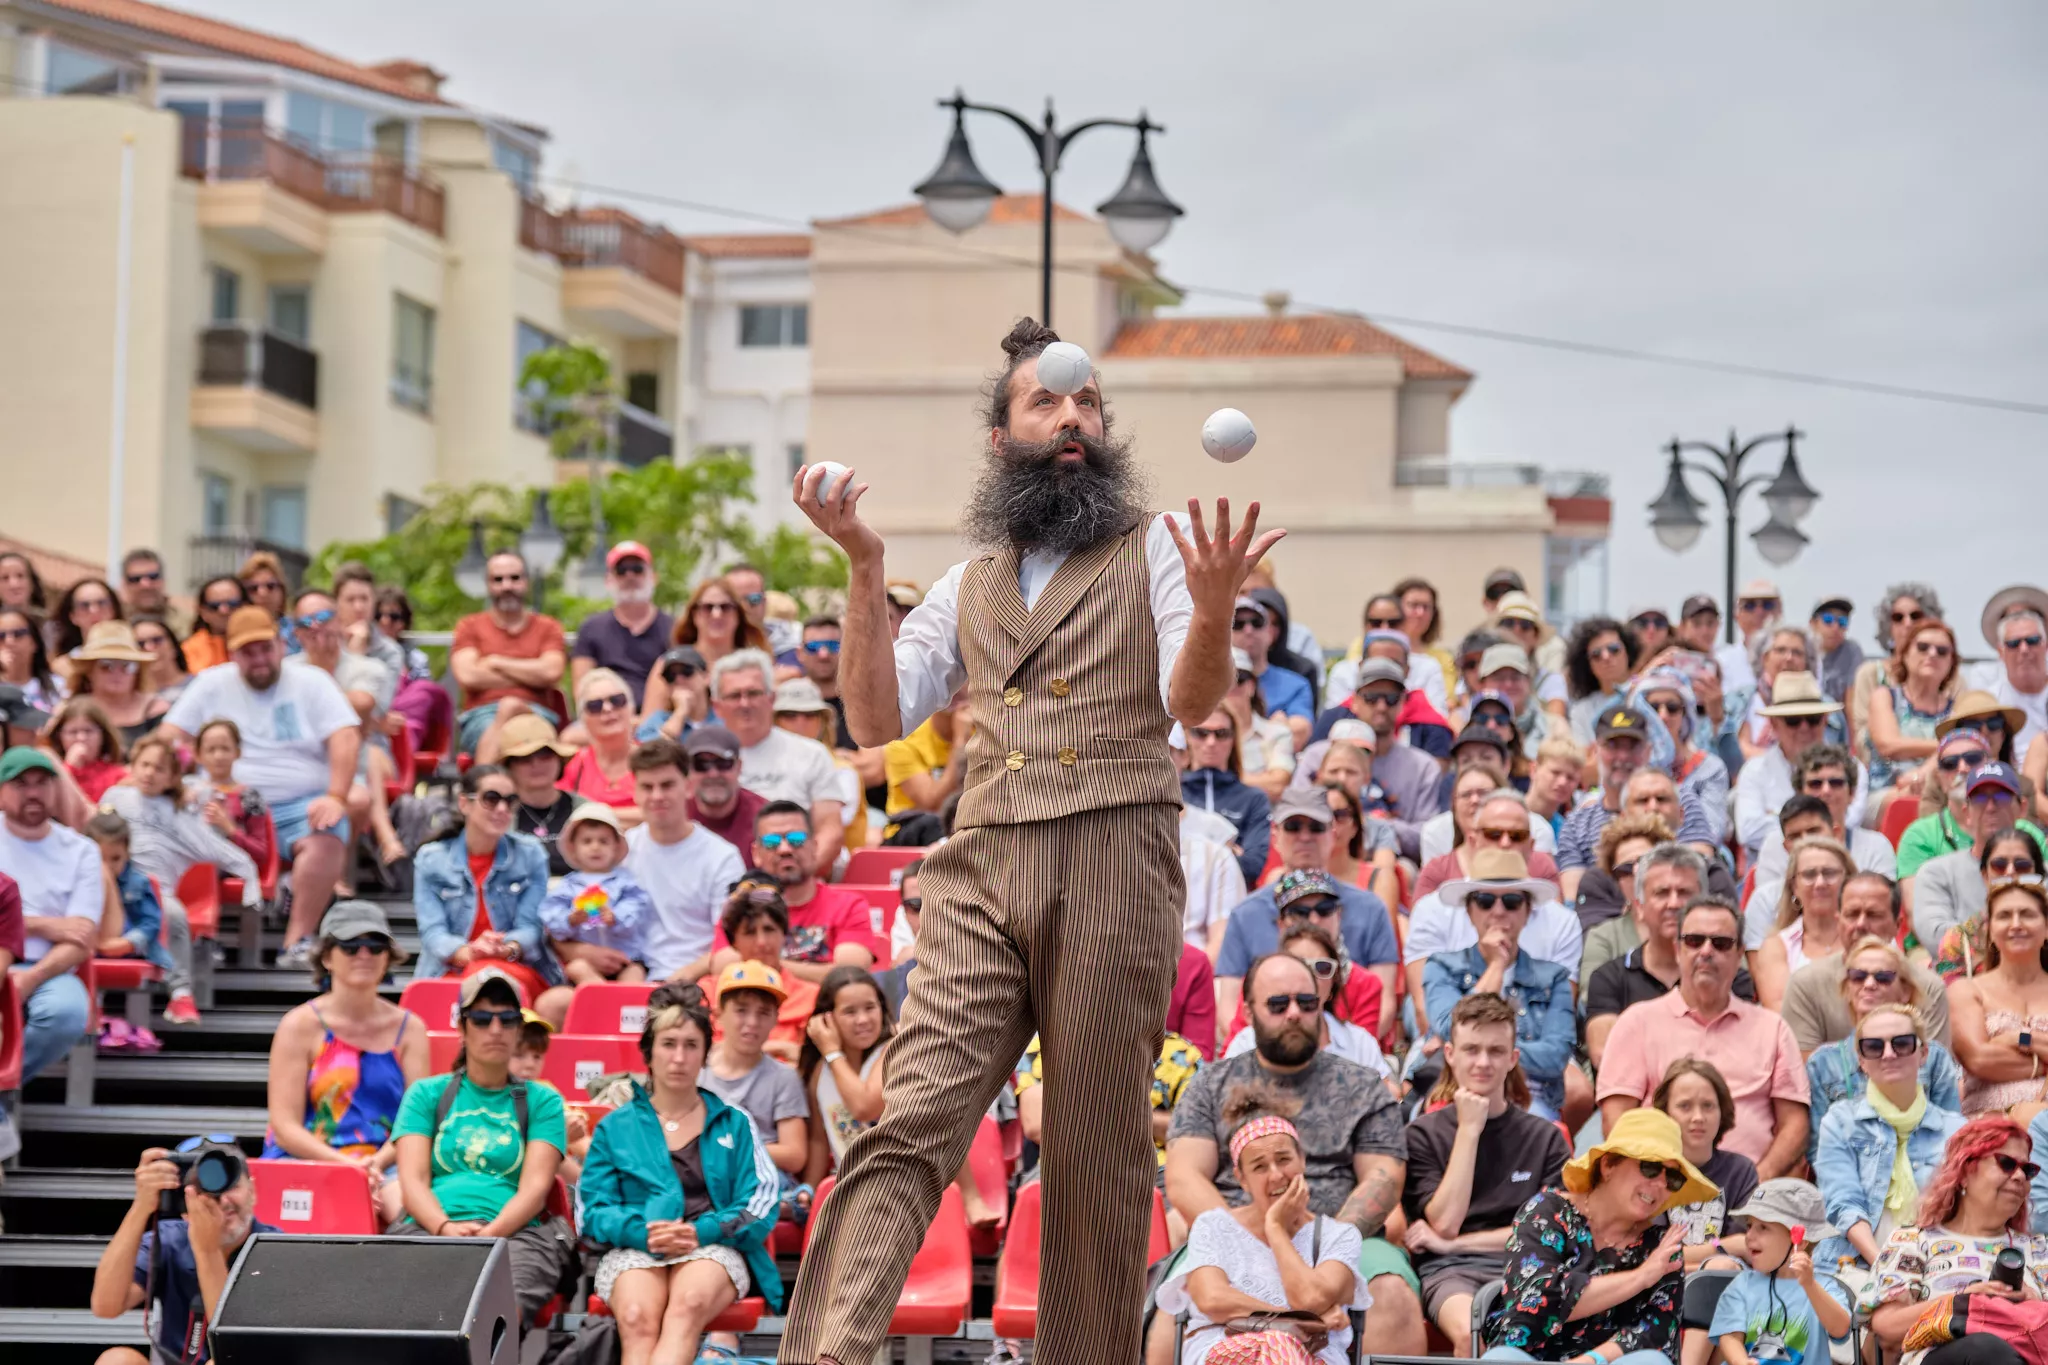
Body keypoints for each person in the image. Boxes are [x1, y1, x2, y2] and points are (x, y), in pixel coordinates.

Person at [782, 318, 1283, 1365]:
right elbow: (874, 724)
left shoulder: (1153, 546)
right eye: (1046, 403)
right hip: (981, 866)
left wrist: (1211, 610)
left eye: (1087, 403)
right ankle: (823, 1354)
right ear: (1000, 436)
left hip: (1111, 859)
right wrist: (863, 566)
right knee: (905, 1121)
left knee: (1095, 1162)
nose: (1071, 417)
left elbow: (1185, 704)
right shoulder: (970, 583)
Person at [1166, 953, 1426, 1357]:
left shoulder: (1363, 1086)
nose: (1293, 1013)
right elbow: (1184, 1177)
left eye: (1306, 1003)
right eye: (1277, 1003)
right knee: (1170, 1314)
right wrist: (1243, 1234)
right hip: (1234, 1227)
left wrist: (1326, 1252)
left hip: (1341, 1237)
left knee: (1391, 1293)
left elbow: (1384, 1177)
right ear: (1249, 1009)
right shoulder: (1211, 1084)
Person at [578, 987, 783, 1365]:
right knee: (638, 1319)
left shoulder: (734, 1122)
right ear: (649, 1052)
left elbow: (760, 1203)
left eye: (691, 1045)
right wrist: (644, 1232)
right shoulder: (615, 1127)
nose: (679, 1057)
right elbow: (592, 1211)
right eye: (668, 1043)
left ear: (705, 1053)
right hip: (635, 1247)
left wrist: (700, 1232)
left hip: (714, 1246)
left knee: (685, 1309)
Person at [158, 605, 358, 966]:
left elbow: (345, 735)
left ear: (281, 645)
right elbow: (170, 737)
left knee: (329, 829)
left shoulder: (312, 681)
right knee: (183, 827)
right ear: (233, 653)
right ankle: (202, 936)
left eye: (266, 648)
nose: (260, 659)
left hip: (298, 803)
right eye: (249, 652)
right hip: (227, 800)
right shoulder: (211, 683)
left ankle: (298, 941)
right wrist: (183, 780)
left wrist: (336, 795)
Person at [391, 969, 575, 1333]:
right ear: (462, 1028)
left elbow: (534, 1191)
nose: (495, 1029)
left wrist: (490, 1235)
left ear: (519, 1029)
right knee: (412, 1315)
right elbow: (412, 1183)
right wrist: (445, 1228)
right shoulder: (426, 1094)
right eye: (481, 1018)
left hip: (517, 1233)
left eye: (507, 1019)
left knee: (499, 1316)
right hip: (428, 1226)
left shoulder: (543, 1101)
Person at [1598, 894, 1811, 1178]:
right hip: (1661, 1190)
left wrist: (1754, 1183)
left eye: (1721, 943)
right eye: (1694, 941)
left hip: (1752, 1196)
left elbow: (1795, 1123)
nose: (1706, 951)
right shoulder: (1636, 1022)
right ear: (1677, 950)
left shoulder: (1773, 1028)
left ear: (1739, 955)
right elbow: (1617, 1121)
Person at [1402, 992, 1570, 1349]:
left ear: (1513, 1059)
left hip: (1528, 1266)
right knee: (1472, 1332)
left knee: (1523, 1333)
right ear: (1450, 1054)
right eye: (1471, 1049)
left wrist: (1452, 1243)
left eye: (1495, 1051)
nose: (1483, 1062)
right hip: (1451, 1271)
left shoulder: (1545, 1139)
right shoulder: (1422, 1134)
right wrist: (1468, 1130)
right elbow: (1444, 1222)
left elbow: (1545, 1235)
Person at [1157, 1083, 1370, 1365]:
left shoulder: (1338, 1235)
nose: (1276, 1175)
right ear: (1242, 1178)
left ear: (1302, 1160)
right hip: (1227, 1348)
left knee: (1282, 1347)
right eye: (1259, 1167)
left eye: (1284, 1160)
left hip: (1313, 1356)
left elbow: (1311, 1297)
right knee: (1277, 1342)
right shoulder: (1214, 1226)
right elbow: (1212, 1299)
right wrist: (1296, 1320)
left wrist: (1275, 1229)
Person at [1478, 1107, 1699, 1365]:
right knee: (1502, 1360)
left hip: (1609, 1362)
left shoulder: (1662, 1245)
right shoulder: (1547, 1212)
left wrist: (1592, 1360)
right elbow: (1535, 1303)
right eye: (1650, 1167)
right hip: (1531, 1357)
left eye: (1672, 1177)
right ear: (1608, 1165)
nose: (1661, 1184)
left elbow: (1656, 1331)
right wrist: (1641, 1277)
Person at [263, 901, 427, 1226]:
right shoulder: (298, 1025)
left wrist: (374, 1166)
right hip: (310, 1157)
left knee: (412, 1216)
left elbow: (416, 1122)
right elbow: (285, 1127)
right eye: (350, 946)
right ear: (326, 957)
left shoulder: (411, 1029)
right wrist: (348, 1168)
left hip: (387, 1161)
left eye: (375, 946)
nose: (364, 954)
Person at [1215, 789, 1401, 1042]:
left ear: (1333, 833)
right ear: (1275, 835)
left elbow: (1385, 1005)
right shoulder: (1245, 914)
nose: (1304, 836)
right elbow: (1229, 1011)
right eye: (1293, 826)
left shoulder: (1371, 908)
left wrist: (1338, 1051)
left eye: (1315, 827)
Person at [1862, 1113, 2048, 1365]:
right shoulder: (1914, 1240)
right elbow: (1885, 1327)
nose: (2019, 1177)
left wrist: (2030, 1305)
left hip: (2023, 1354)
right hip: (1946, 1356)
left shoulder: (2038, 1249)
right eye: (2006, 1163)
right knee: (1986, 1348)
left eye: (2027, 1169)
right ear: (1964, 1172)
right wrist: (1965, 1301)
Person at [99, 735, 260, 1023]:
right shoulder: (114, 798)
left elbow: (216, 840)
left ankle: (180, 994)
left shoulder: (182, 812)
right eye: (144, 765)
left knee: (173, 914)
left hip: (156, 891)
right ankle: (93, 1001)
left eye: (159, 768)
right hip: (108, 886)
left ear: (173, 777)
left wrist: (250, 879)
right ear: (132, 766)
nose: (149, 773)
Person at [1812, 1002, 1968, 1278]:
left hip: (1938, 1266)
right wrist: (1885, 1268)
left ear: (1923, 1053)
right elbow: (1843, 1204)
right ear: (1861, 1060)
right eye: (1874, 1046)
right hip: (1854, 1265)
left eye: (1902, 1043)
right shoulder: (1839, 1122)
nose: (1888, 1054)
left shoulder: (1956, 1130)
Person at [88, 1139, 277, 1365]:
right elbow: (105, 1306)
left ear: (252, 1191)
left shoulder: (274, 1249)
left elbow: (236, 1346)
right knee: (116, 1360)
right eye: (205, 1189)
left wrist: (208, 1250)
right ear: (183, 1198)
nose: (222, 1200)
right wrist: (142, 1206)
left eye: (232, 1185)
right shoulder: (169, 1240)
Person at [1422, 849, 1578, 1121]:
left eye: (1511, 901)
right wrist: (1496, 966)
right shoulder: (1442, 966)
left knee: (1540, 1127)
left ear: (1528, 911)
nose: (1498, 911)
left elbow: (1556, 1056)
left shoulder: (1554, 977)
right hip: (1454, 1090)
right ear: (1469, 912)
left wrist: (1471, 1049)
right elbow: (1448, 1027)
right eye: (1484, 901)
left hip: (1530, 1096)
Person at [411, 765, 571, 1027]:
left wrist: (504, 949)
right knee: (479, 978)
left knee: (487, 977)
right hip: (451, 968)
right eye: (491, 799)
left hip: (517, 966)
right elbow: (433, 934)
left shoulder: (531, 854)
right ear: (465, 803)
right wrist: (469, 952)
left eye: (510, 801)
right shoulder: (431, 859)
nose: (502, 810)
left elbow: (530, 929)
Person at [1583, 844, 1758, 1067]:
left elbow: (1735, 1055)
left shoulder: (1733, 978)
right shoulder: (1609, 978)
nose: (1674, 904)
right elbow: (1605, 1056)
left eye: (1684, 893)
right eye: (1662, 893)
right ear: (1639, 906)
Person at [2, 745, 101, 1080]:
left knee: (67, 1013)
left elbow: (81, 937)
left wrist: (31, 978)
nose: (33, 793)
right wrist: (47, 925)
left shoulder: (82, 850)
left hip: (51, 970)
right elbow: (67, 929)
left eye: (41, 783)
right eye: (20, 784)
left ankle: (5, 1085)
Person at [704, 801, 879, 983]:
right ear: (756, 853)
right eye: (771, 842)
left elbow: (850, 975)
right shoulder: (741, 905)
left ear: (814, 846)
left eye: (796, 839)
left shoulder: (848, 905)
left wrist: (766, 964)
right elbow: (722, 966)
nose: (785, 849)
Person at [1558, 703, 1717, 900]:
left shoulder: (1678, 801)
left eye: (1633, 746)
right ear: (1595, 751)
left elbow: (1702, 870)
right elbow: (1575, 899)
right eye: (1613, 746)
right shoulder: (1576, 824)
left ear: (1649, 751)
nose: (1623, 756)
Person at [709, 649, 846, 872]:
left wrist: (796, 882)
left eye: (753, 693)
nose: (745, 703)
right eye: (734, 696)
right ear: (716, 706)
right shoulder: (699, 760)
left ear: (771, 698)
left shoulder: (812, 754)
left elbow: (830, 832)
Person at [1786, 874, 1955, 1053]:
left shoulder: (1928, 987)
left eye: (1874, 915)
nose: (1861, 924)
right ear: (1838, 922)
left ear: (1897, 925)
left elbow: (1933, 1068)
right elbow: (1806, 1071)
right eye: (1852, 914)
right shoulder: (1805, 984)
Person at [624, 739, 744, 982]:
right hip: (632, 975)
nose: (657, 796)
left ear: (688, 787)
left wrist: (682, 977)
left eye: (667, 785)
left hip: (700, 978)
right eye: (647, 787)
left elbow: (731, 941)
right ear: (635, 792)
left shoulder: (722, 857)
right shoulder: (622, 850)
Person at [702, 960, 812, 1213]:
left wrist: (728, 1147)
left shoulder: (783, 1077)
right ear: (719, 1014)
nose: (752, 1022)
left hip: (764, 1178)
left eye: (763, 1013)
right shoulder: (698, 1070)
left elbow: (795, 1154)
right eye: (741, 1010)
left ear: (776, 1019)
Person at [1704, 1180, 1852, 1365]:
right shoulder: (1742, 1284)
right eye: (1749, 1226)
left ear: (1800, 1240)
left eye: (1763, 1227)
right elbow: (1730, 1336)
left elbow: (1840, 1329)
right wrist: (1741, 1361)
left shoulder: (1823, 1287)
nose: (1749, 1235)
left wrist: (1809, 1285)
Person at [1223, 920, 1390, 1077]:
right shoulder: (1246, 1043)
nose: (1309, 976)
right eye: (1299, 963)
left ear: (1334, 981)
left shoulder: (1360, 1044)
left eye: (1322, 967)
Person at [1733, 670, 1871, 859]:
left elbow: (1851, 821)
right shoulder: (1754, 771)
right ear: (1774, 724)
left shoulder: (1853, 768)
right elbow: (1749, 831)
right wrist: (1819, 825)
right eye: (1793, 721)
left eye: (1812, 719)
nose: (1804, 728)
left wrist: (1782, 822)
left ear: (1825, 721)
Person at [1947, 874, 2048, 1118]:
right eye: (2004, 916)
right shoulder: (1966, 990)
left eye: (2027, 914)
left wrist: (2021, 1038)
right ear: (1990, 931)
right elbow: (1979, 1061)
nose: (2016, 924)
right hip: (1987, 1125)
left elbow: (1990, 1058)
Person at [451, 550, 568, 757]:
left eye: (515, 578)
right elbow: (469, 676)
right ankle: (487, 784)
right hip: (480, 717)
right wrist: (530, 674)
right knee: (508, 708)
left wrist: (495, 662)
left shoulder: (548, 627)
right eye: (498, 579)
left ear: (527, 582)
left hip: (537, 715)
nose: (507, 586)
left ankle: (483, 785)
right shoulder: (469, 626)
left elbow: (551, 672)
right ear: (488, 585)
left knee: (510, 706)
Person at [1916, 766, 2037, 956]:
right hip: (1963, 977)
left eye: (2001, 797)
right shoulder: (1936, 873)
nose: (1990, 807)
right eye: (1980, 798)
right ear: (1967, 812)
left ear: (2022, 807)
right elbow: (1935, 936)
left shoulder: (2041, 872)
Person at [1654, 1058, 1760, 1270]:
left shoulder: (1740, 1171)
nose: (1698, 1117)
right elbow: (1652, 1257)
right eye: (1685, 1106)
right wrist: (1722, 1249)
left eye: (1708, 1106)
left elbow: (1744, 1250)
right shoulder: (1651, 1171)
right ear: (1665, 1113)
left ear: (1722, 1112)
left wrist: (1712, 1256)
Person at [797, 965, 895, 1187]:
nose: (862, 1020)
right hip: (853, 1188)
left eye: (870, 1007)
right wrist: (810, 1190)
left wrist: (831, 1051)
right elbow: (819, 1141)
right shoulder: (821, 1073)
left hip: (900, 1184)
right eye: (850, 1012)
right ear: (827, 1019)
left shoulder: (894, 1052)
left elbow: (863, 1107)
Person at [538, 803, 651, 984]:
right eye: (587, 841)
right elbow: (550, 914)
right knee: (577, 968)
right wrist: (570, 919)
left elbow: (637, 907)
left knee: (635, 974)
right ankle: (602, 998)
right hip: (586, 962)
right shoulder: (567, 886)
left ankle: (621, 1003)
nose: (595, 847)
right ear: (573, 848)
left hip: (625, 958)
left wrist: (616, 917)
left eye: (603, 841)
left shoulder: (625, 882)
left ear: (616, 847)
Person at [1752, 836, 1858, 1011]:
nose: (1820, 883)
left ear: (1847, 880)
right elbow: (1782, 1011)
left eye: (1829, 873)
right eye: (1809, 875)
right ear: (1794, 886)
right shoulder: (1776, 947)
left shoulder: (1869, 937)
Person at [1930, 828, 2048, 982]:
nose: (2010, 872)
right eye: (1999, 865)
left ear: (2038, 875)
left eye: (2022, 865)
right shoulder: (1958, 939)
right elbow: (1953, 998)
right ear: (1985, 875)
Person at [571, 541, 675, 710]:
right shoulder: (591, 628)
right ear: (608, 580)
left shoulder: (674, 628)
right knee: (570, 737)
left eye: (637, 569)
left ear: (653, 577)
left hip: (661, 720)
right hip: (605, 714)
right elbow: (582, 690)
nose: (629, 576)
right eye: (621, 571)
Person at [1633, 666, 1730, 843]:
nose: (1663, 716)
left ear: (1685, 714)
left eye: (1672, 707)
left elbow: (1713, 830)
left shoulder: (1710, 767)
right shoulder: (1630, 764)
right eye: (1653, 707)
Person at [1866, 618, 1962, 793]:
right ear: (1904, 653)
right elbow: (1889, 746)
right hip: (1887, 792)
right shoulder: (1885, 696)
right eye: (1923, 647)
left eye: (1942, 651)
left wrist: (1921, 774)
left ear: (1952, 662)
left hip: (1938, 793)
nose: (1932, 654)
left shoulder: (1957, 709)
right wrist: (1943, 746)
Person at [1185, 707, 1273, 885]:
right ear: (1187, 736)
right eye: (1201, 733)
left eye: (1221, 733)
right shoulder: (1173, 794)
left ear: (1233, 739)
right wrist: (1228, 851)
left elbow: (1251, 867)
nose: (1211, 742)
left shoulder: (1253, 799)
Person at [498, 713, 581, 877]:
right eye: (524, 758)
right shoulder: (498, 813)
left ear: (559, 760)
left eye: (545, 754)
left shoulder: (585, 809)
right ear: (509, 767)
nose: (536, 764)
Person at [61, 620, 167, 748]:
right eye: (107, 665)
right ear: (89, 670)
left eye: (127, 666)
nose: (117, 673)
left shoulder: (155, 709)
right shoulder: (68, 711)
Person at [185, 719, 274, 871]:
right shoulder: (187, 789)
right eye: (211, 750)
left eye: (225, 749)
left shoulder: (249, 796)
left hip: (231, 869)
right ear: (198, 755)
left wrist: (229, 828)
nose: (218, 756)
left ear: (237, 752)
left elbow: (261, 853)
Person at [558, 667, 642, 821]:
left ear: (631, 708)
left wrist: (595, 814)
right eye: (595, 705)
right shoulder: (576, 766)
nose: (608, 709)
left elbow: (665, 813)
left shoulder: (652, 759)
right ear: (583, 719)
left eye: (617, 700)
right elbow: (560, 814)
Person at [1233, 594, 1315, 745]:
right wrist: (1276, 727)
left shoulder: (1296, 685)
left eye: (1256, 623)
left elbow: (1301, 731)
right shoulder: (1211, 682)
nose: (1248, 630)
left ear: (1270, 633)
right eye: (1238, 624)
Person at [1564, 616, 1642, 748]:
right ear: (1587, 664)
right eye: (1596, 654)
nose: (1606, 657)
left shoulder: (1646, 694)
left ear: (1627, 652)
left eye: (1613, 649)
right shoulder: (1581, 711)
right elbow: (1584, 763)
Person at [51, 695, 127, 801]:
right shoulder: (49, 773)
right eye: (73, 732)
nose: (81, 738)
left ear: (103, 735)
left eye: (88, 731)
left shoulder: (119, 777)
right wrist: (69, 769)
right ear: (59, 737)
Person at [0, 605, 62, 713]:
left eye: (18, 634)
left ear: (34, 642)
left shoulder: (58, 687)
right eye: (1, 636)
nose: (9, 641)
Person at [181, 575, 243, 675]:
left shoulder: (262, 643)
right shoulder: (189, 650)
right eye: (214, 606)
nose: (224, 611)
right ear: (202, 612)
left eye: (232, 604)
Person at [48, 574, 122, 659]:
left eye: (101, 603)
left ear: (113, 610)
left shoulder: (135, 658)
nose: (94, 610)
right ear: (73, 617)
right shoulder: (64, 666)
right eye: (84, 605)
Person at [1812, 595, 1864, 702]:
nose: (1835, 627)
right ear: (1813, 623)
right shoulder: (1800, 651)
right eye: (1828, 619)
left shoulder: (1851, 651)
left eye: (1842, 622)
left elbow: (1852, 697)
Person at [131, 614, 190, 709]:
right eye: (140, 644)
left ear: (174, 646)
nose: (149, 648)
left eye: (157, 640)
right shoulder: (129, 699)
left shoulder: (200, 685)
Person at [0, 550, 47, 615]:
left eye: (20, 576)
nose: (14, 584)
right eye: (5, 578)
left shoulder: (48, 623)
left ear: (32, 583)